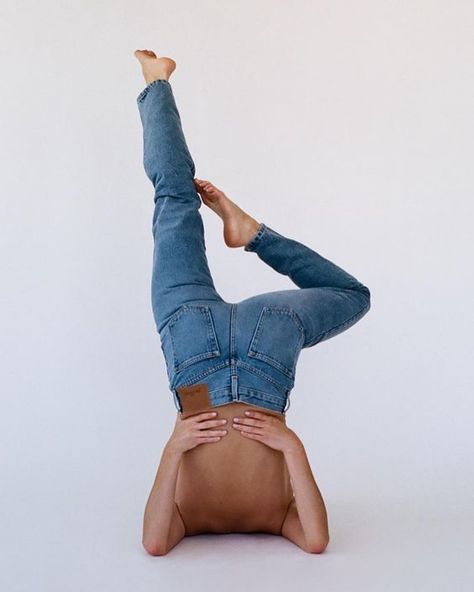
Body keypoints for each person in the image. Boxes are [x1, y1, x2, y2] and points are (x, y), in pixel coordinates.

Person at [133, 49, 371, 556]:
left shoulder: (181, 522)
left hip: (199, 382)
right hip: (258, 364)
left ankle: (159, 85)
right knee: (173, 200)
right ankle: (250, 230)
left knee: (174, 202)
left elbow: (154, 544)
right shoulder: (283, 520)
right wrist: (289, 444)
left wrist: (176, 446)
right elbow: (317, 540)